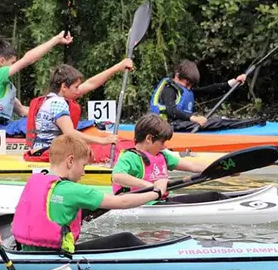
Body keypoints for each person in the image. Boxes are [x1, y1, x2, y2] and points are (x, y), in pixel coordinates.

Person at [12, 134, 167, 253]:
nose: (83, 173)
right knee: (126, 239)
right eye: (83, 166)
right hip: (59, 256)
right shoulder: (73, 190)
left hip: (30, 252)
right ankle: (161, 258)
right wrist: (157, 192)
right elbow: (122, 202)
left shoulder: (36, 181)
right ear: (70, 161)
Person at [23, 61, 133, 163]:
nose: (78, 91)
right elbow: (70, 133)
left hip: (39, 150)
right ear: (64, 87)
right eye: (76, 87)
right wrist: (103, 140)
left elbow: (91, 83)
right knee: (96, 150)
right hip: (48, 153)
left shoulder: (47, 99)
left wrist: (117, 67)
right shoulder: (58, 102)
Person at [0, 32, 73, 135]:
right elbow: (28, 59)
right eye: (12, 63)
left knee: (33, 120)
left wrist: (52, 114)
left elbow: (22, 110)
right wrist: (55, 40)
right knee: (26, 123)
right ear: (2, 61)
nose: (14, 66)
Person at [149, 60, 263, 132]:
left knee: (218, 120)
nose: (189, 88)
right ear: (177, 76)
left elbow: (209, 90)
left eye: (191, 85)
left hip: (180, 125)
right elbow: (171, 111)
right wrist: (194, 118)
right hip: (166, 128)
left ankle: (246, 123)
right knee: (216, 121)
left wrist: (234, 82)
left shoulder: (184, 90)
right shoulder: (168, 90)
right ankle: (250, 124)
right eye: (187, 84)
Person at [111, 113, 208, 194]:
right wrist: (150, 186)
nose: (164, 146)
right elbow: (117, 177)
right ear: (149, 138)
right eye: (162, 142)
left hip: (161, 202)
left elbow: (192, 166)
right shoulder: (130, 157)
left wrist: (213, 168)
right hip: (141, 204)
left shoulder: (163, 156)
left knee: (211, 196)